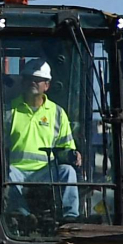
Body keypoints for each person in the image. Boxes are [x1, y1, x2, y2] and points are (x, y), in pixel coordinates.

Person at [9, 62, 81, 221]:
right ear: (22, 82)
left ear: (47, 85)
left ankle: (70, 218)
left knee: (67, 172)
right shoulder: (9, 110)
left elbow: (66, 148)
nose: (32, 82)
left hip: (46, 172)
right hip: (16, 171)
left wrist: (73, 154)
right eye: (29, 78)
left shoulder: (57, 113)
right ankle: (24, 216)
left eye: (38, 79)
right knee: (6, 172)